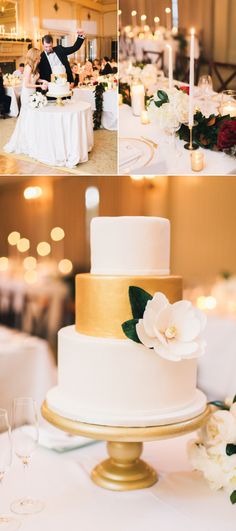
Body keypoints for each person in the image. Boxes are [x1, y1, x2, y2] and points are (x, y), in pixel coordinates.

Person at [4, 48, 48, 152]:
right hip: (27, 94)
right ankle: (26, 141)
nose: (41, 57)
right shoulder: (28, 67)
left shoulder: (34, 67)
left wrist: (43, 80)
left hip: (32, 93)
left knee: (33, 117)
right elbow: (27, 84)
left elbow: (34, 79)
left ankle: (34, 138)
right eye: (39, 55)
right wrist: (40, 86)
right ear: (35, 56)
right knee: (27, 117)